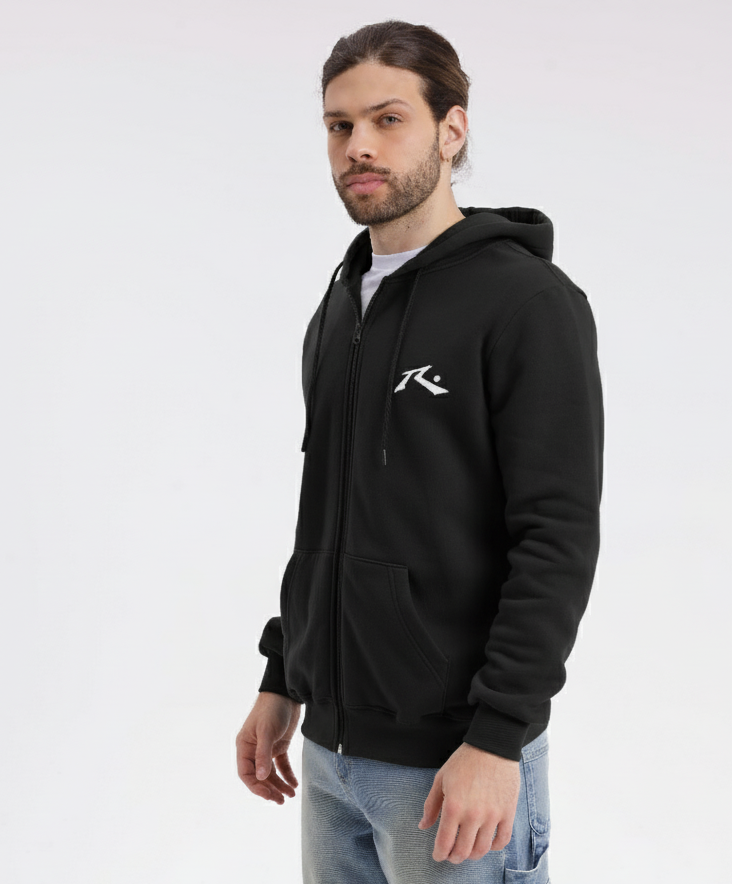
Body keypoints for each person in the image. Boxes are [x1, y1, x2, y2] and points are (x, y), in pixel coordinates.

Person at [236, 20, 604, 883]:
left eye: (388, 119)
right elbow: (330, 513)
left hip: (454, 767)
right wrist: (283, 674)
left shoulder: (526, 302)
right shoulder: (340, 307)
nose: (358, 146)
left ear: (452, 130)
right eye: (339, 125)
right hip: (329, 757)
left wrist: (497, 738)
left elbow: (556, 536)